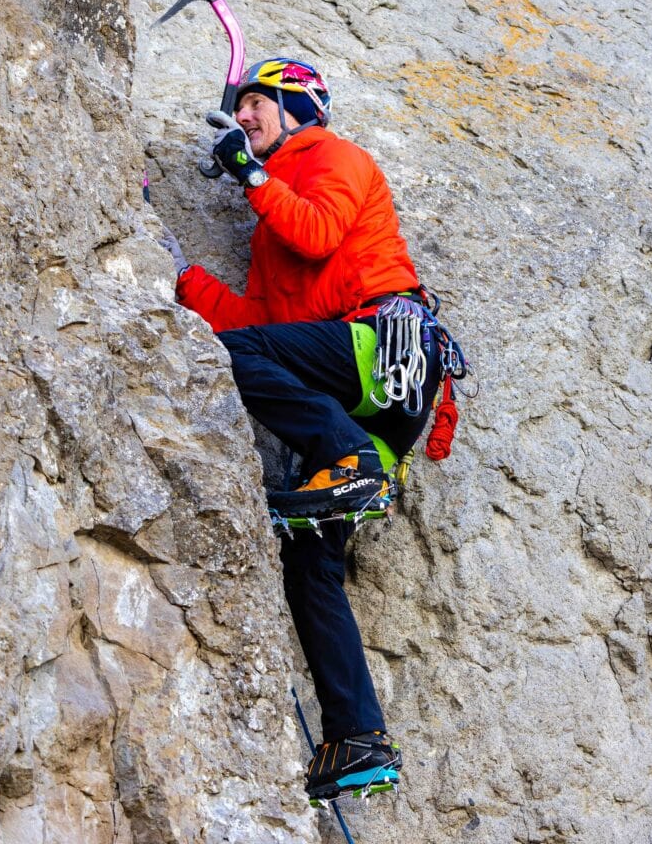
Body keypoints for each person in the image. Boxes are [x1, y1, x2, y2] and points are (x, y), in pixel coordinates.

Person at [160, 57, 442, 802]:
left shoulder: (334, 156)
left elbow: (318, 234)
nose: (244, 116)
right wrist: (177, 275)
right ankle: (358, 738)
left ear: (298, 111)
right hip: (352, 380)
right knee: (309, 562)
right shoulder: (269, 227)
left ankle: (345, 457)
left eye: (258, 104)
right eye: (241, 107)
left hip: (382, 345)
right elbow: (261, 328)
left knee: (243, 361)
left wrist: (252, 177)